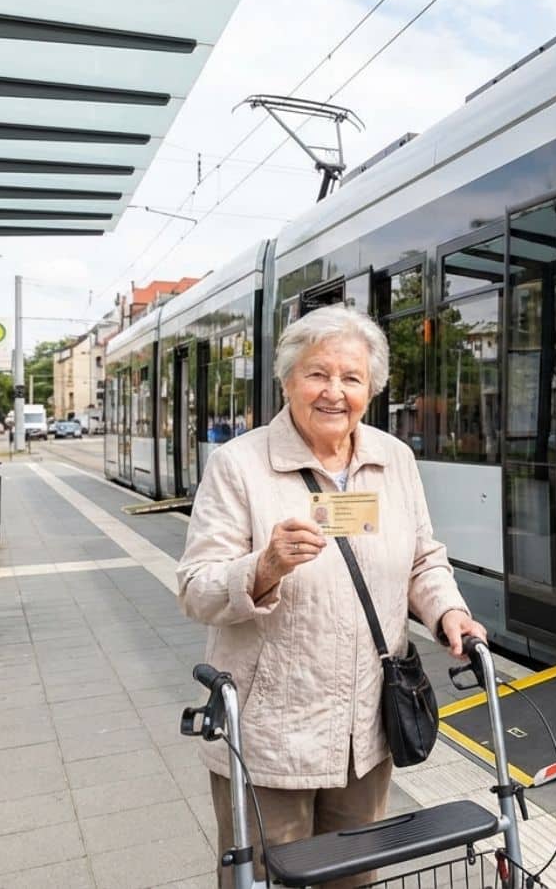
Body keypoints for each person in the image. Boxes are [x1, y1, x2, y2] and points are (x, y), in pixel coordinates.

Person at [177, 306, 488, 889]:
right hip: (271, 735)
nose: (334, 392)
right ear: (288, 381)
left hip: (365, 732)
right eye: (317, 374)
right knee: (268, 877)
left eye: (351, 378)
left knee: (354, 878)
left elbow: (423, 557)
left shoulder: (393, 460)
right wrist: (264, 566)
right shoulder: (238, 466)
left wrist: (450, 611)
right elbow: (196, 588)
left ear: (371, 389)